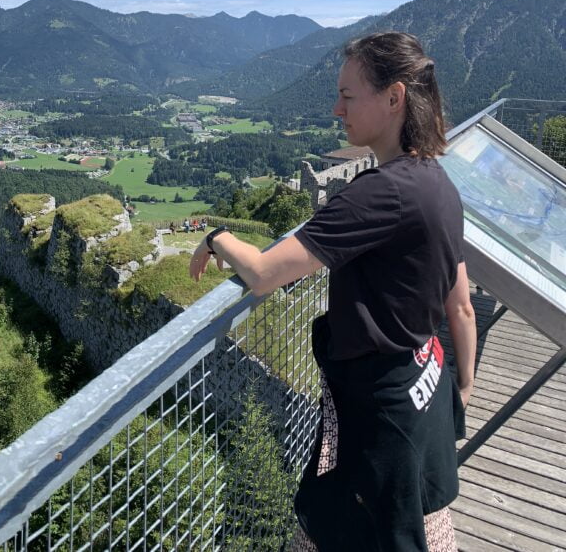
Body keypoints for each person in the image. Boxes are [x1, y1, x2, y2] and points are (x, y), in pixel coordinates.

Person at [189, 32, 477, 552]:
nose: (336, 109)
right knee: (421, 530)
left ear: (394, 97)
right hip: (424, 384)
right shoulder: (437, 181)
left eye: (347, 95)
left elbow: (263, 273)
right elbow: (461, 306)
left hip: (380, 414)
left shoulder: (380, 193)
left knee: (349, 532)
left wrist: (216, 236)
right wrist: (462, 390)